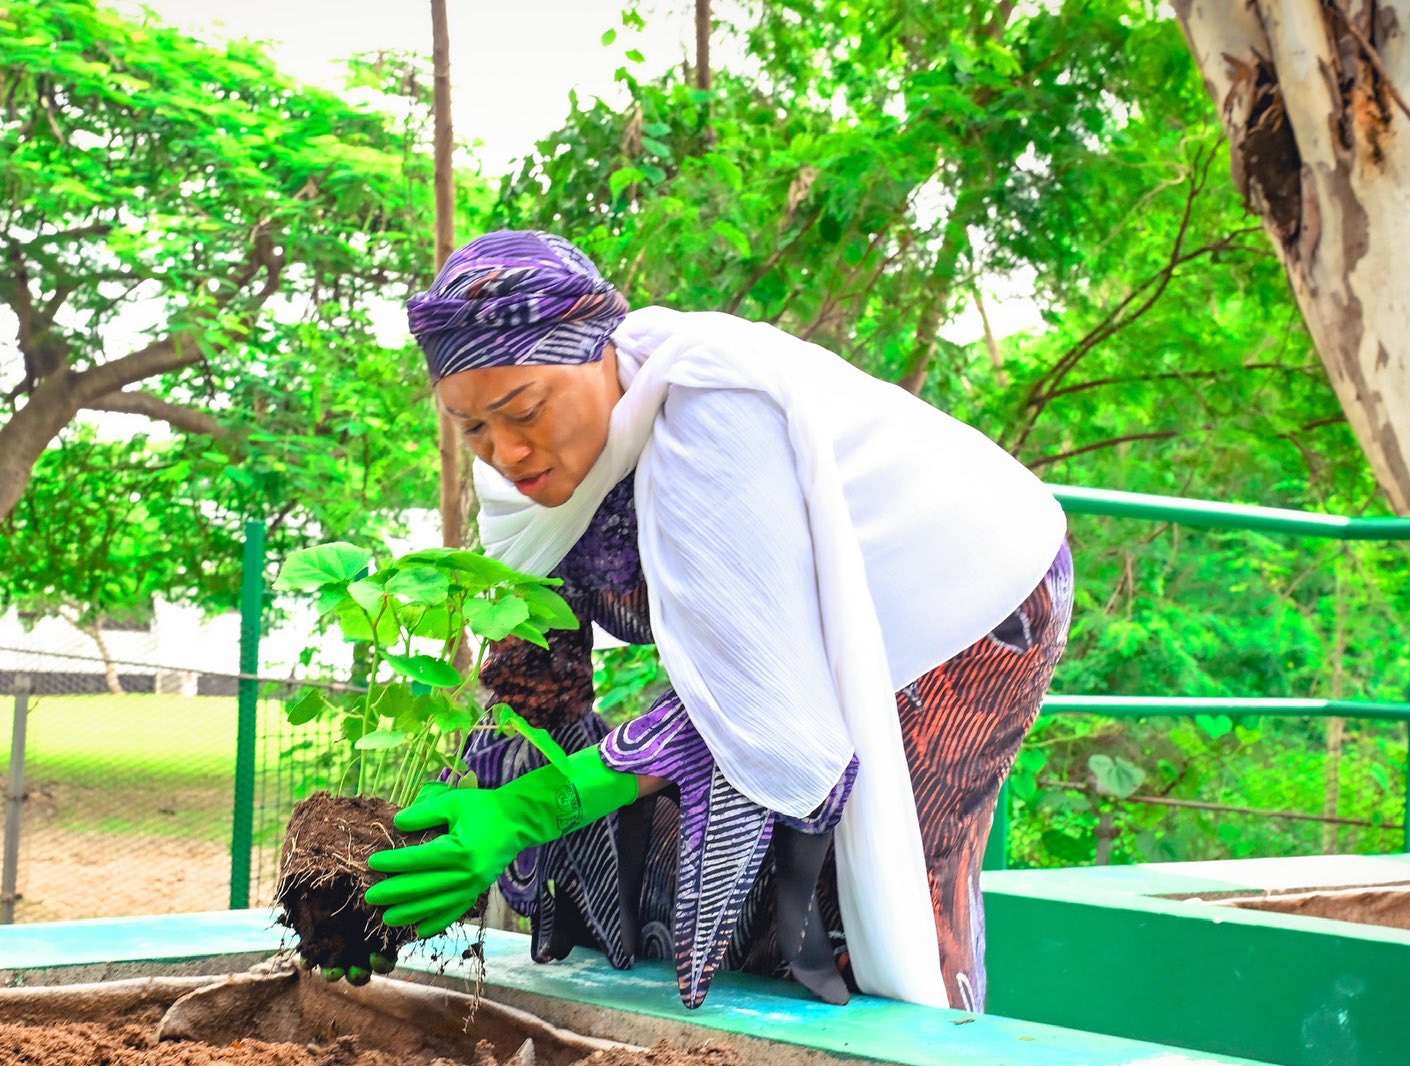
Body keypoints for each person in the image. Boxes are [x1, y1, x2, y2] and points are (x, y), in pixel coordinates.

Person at [364, 230, 1071, 1011]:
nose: (505, 451)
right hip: (807, 643)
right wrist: (465, 815)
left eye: (523, 411)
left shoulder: (712, 415)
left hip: (959, 599)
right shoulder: (525, 488)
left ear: (600, 355)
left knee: (888, 872)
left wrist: (526, 811)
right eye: (473, 430)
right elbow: (537, 685)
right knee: (732, 876)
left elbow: (760, 706)